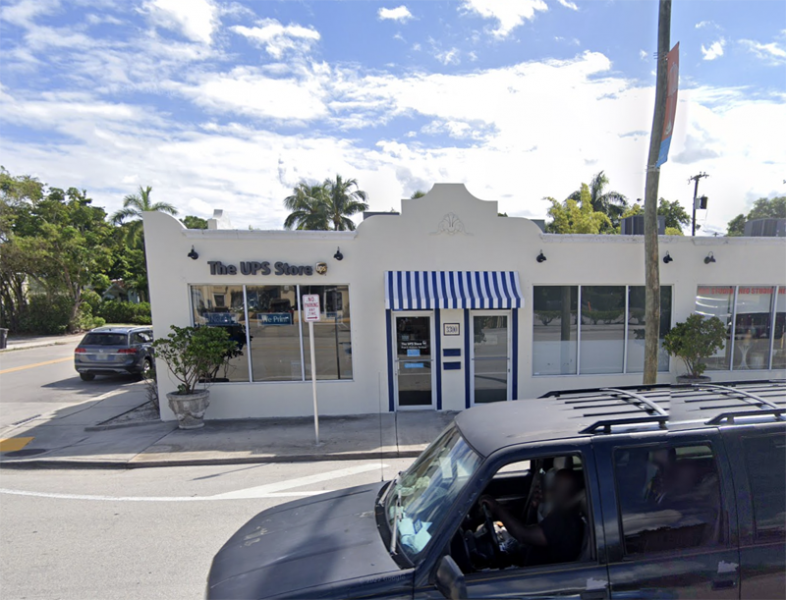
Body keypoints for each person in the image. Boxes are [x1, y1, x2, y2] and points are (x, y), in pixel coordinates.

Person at [479, 469, 584, 566]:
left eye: (558, 489)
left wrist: (497, 508)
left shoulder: (565, 522)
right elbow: (531, 529)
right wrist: (533, 508)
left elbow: (524, 535)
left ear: (571, 495)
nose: (552, 492)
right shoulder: (563, 515)